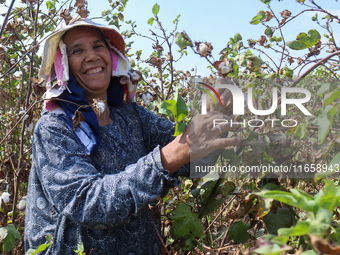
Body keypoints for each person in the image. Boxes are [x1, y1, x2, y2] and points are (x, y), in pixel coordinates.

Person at [24, 17, 240, 254]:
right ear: (62, 64)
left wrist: (217, 115)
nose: (92, 56)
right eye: (77, 50)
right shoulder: (54, 128)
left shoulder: (131, 115)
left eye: (98, 46)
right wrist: (167, 157)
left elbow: (194, 159)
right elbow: (87, 204)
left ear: (112, 56)